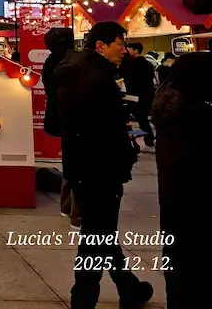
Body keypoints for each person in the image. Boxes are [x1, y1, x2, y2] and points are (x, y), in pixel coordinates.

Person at [55, 21, 153, 309]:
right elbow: (104, 129)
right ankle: (83, 297)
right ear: (100, 45)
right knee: (96, 234)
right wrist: (125, 151)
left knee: (101, 230)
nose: (124, 49)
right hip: (101, 167)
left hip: (82, 165)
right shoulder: (97, 79)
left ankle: (128, 288)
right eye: (119, 43)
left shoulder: (74, 72)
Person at [151, 52, 206, 307]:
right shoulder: (195, 113)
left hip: (172, 197)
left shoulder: (168, 105)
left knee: (175, 256)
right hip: (195, 198)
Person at [41, 27, 80, 229]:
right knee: (78, 163)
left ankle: (67, 206)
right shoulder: (72, 62)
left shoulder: (50, 62)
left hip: (59, 116)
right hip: (74, 117)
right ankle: (75, 212)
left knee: (70, 160)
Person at [122, 42, 156, 152]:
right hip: (147, 95)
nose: (127, 51)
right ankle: (149, 140)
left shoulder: (135, 63)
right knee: (142, 119)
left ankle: (149, 142)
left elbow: (130, 79)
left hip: (136, 96)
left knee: (141, 120)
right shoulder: (147, 63)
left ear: (136, 50)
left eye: (129, 49)